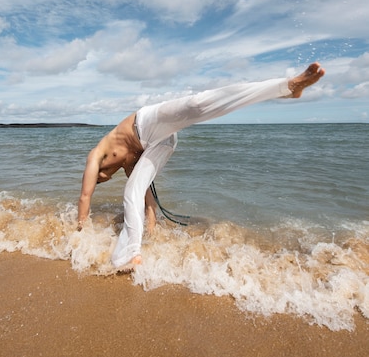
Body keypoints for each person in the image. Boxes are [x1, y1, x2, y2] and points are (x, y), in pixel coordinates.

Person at [77, 62, 325, 269]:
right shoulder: (127, 163)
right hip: (163, 142)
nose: (103, 177)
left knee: (196, 105)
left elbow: (85, 197)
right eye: (102, 179)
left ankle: (286, 87)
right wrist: (152, 226)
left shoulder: (95, 155)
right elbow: (145, 196)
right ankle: (130, 255)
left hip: (146, 122)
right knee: (131, 192)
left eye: (101, 177)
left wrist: (79, 233)